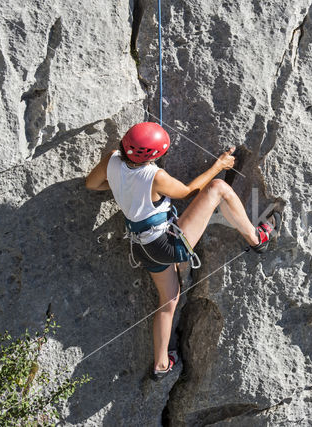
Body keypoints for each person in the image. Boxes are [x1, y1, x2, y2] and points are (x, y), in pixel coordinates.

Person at [85, 122, 279, 380]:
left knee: (169, 301)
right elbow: (189, 191)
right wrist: (218, 167)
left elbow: (92, 184)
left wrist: (123, 188)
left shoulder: (111, 159)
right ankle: (257, 238)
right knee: (219, 189)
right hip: (166, 245)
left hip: (142, 247)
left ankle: (161, 365)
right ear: (154, 155)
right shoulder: (155, 176)